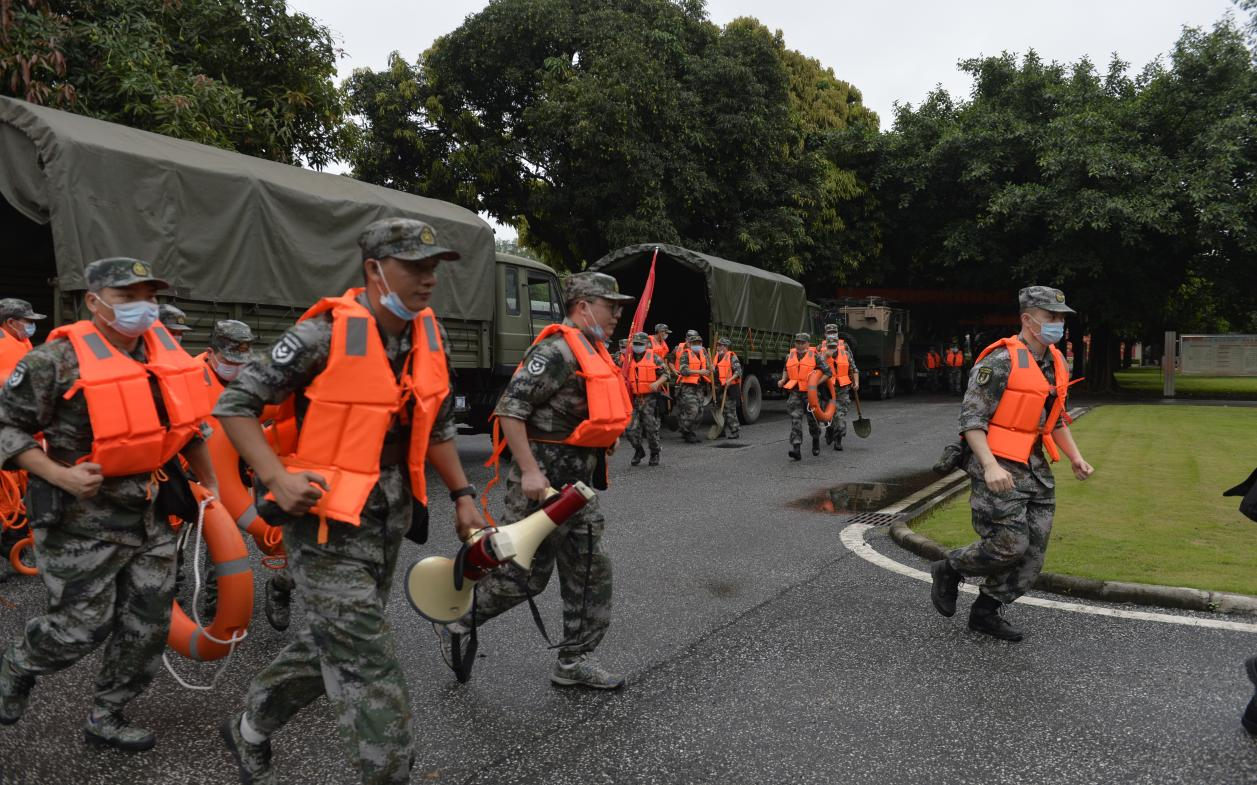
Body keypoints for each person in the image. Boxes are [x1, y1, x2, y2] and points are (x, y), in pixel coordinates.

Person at [215, 218, 486, 785]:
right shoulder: (322, 336)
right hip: (322, 527)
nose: (429, 279)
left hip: (385, 522)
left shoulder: (425, 336)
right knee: (369, 663)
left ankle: (249, 728)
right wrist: (275, 477)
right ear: (374, 269)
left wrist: (462, 495)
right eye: (416, 266)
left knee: (329, 642)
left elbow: (435, 427)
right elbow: (236, 404)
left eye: (434, 266)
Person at [0, 258, 218, 751]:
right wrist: (58, 472)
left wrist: (214, 488)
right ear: (95, 302)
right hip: (80, 519)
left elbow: (190, 429)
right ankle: (19, 664)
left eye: (150, 296)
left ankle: (108, 715)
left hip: (151, 512)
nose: (144, 307)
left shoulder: (164, 356)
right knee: (79, 629)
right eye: (128, 297)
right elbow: (6, 426)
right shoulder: (54, 362)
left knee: (147, 625)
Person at [440, 271, 632, 690]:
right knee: (522, 578)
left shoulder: (594, 350)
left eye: (619, 306)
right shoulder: (556, 350)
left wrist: (602, 441)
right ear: (583, 306)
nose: (618, 313)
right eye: (610, 304)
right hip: (540, 491)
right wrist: (528, 469)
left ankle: (573, 660)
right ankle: (459, 618)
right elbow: (511, 410)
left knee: (590, 572)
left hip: (578, 491)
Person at [929, 286, 1094, 642]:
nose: (1059, 325)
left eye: (1062, 318)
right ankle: (950, 568)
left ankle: (985, 612)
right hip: (999, 466)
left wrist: (1076, 457)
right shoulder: (999, 362)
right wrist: (989, 465)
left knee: (1032, 557)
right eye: (1051, 317)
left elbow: (1056, 418)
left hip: (1036, 470)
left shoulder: (1056, 362)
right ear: (1027, 319)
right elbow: (971, 421)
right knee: (1009, 544)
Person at [0, 298, 45, 582]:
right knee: (6, 497)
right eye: (27, 321)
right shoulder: (3, 344)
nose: (31, 326)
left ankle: (12, 545)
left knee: (18, 494)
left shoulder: (19, 343)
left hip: (19, 432)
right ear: (11, 322)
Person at [778, 333, 830, 460]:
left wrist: (816, 383)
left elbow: (828, 372)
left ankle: (816, 439)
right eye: (798, 342)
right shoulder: (789, 356)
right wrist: (783, 379)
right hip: (795, 392)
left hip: (810, 393)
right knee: (795, 419)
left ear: (808, 343)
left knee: (813, 421)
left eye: (803, 342)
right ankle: (796, 448)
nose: (800, 345)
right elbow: (786, 368)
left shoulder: (815, 357)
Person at [624, 331, 669, 466]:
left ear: (646, 344)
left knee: (651, 428)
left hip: (650, 398)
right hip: (634, 399)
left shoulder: (654, 358)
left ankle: (655, 453)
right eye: (635, 344)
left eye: (640, 344)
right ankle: (639, 450)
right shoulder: (629, 359)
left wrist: (657, 382)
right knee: (630, 428)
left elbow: (666, 374)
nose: (637, 346)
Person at [820, 326, 859, 451]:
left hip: (842, 388)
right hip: (826, 389)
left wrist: (856, 383)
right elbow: (813, 369)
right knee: (827, 415)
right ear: (825, 334)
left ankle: (838, 439)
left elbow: (853, 368)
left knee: (840, 415)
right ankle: (829, 429)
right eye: (829, 333)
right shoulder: (819, 349)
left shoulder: (845, 350)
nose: (831, 335)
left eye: (833, 333)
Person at [674, 330, 711, 444]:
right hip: (687, 387)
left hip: (699, 386)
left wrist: (711, 368)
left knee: (700, 412)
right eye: (694, 343)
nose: (697, 345)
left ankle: (690, 431)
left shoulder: (703, 353)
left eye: (699, 343)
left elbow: (709, 366)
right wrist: (700, 372)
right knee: (692, 410)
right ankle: (687, 431)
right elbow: (683, 370)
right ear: (690, 344)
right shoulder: (686, 354)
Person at [712, 336, 742, 439]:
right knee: (720, 410)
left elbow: (738, 371)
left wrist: (730, 380)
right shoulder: (716, 356)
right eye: (717, 345)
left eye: (720, 345)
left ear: (725, 347)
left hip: (730, 388)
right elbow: (715, 371)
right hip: (720, 387)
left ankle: (735, 431)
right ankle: (722, 431)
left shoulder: (731, 356)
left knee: (730, 410)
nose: (718, 347)